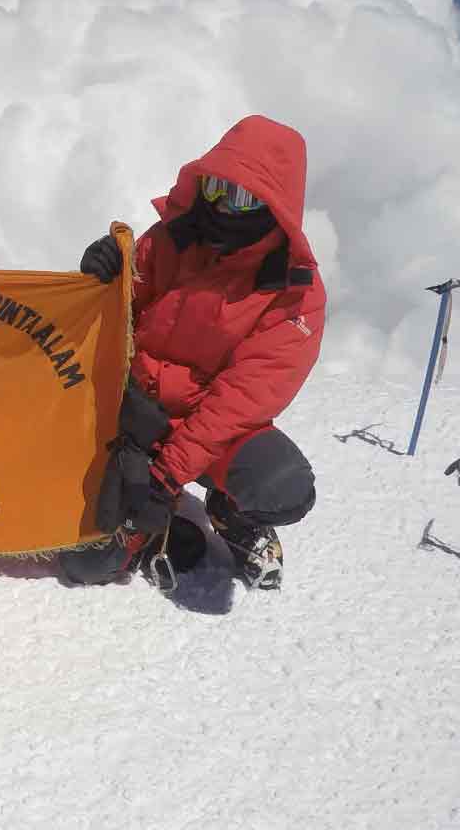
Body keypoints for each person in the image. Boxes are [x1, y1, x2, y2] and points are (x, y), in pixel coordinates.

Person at [60, 115, 325, 590]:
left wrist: (164, 480)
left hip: (206, 427)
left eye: (242, 197)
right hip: (131, 410)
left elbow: (237, 405)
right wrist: (101, 277)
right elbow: (119, 311)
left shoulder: (293, 295)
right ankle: (141, 515)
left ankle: (231, 509)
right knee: (87, 564)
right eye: (216, 189)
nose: (222, 207)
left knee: (280, 484)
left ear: (276, 206)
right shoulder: (172, 240)